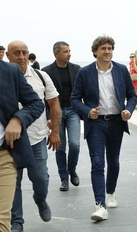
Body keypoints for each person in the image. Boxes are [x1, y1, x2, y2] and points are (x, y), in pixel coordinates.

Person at [71, 35, 137, 221]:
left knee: (113, 161)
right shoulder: (85, 72)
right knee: (98, 163)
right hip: (96, 123)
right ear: (95, 52)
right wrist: (87, 111)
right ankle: (100, 205)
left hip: (117, 121)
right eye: (103, 48)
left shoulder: (121, 70)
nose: (107, 51)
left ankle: (110, 193)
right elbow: (75, 99)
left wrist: (128, 110)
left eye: (110, 48)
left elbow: (132, 96)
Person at [6, 40, 61, 232]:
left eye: (24, 53)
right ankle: (17, 222)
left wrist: (54, 131)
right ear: (7, 55)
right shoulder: (4, 76)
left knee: (41, 179)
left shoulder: (41, 76)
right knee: (13, 183)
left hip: (36, 138)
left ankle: (40, 199)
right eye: (16, 53)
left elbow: (54, 104)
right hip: (10, 142)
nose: (21, 57)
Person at [0, 60, 44, 232]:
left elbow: (36, 103)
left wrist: (18, 119)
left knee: (2, 222)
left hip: (4, 156)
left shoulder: (9, 71)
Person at [42, 41, 81, 191]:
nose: (69, 54)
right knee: (60, 148)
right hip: (55, 114)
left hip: (73, 111)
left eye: (69, 51)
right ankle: (63, 178)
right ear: (56, 53)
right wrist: (48, 117)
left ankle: (72, 169)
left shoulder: (76, 69)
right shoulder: (46, 72)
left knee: (75, 144)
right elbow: (44, 97)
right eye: (65, 51)